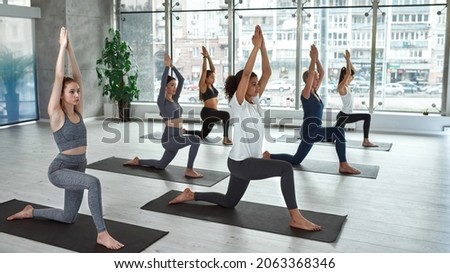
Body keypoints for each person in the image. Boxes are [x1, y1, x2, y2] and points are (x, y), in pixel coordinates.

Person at [168, 26, 321, 231]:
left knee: (229, 201)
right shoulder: (237, 105)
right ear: (243, 85)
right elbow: (247, 73)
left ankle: (191, 194)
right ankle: (295, 217)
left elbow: (267, 72)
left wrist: (264, 46)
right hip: (242, 163)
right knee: (285, 168)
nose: (257, 87)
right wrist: (255, 49)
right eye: (253, 84)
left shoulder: (254, 102)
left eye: (257, 84)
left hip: (241, 162)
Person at [6, 27, 124, 250]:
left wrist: (71, 48)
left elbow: (77, 76)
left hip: (79, 167)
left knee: (68, 216)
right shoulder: (57, 114)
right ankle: (102, 233)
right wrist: (61, 47)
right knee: (94, 183)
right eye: (71, 92)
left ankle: (31, 212)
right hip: (60, 170)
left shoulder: (76, 111)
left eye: (78, 92)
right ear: (61, 94)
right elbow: (60, 76)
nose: (77, 94)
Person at [264, 44, 360, 174]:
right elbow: (312, 77)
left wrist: (317, 58)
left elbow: (322, 73)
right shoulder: (306, 93)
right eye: (315, 77)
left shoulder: (315, 92)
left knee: (296, 160)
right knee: (338, 132)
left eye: (317, 77)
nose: (318, 78)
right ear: (308, 80)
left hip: (312, 131)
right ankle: (343, 165)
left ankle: (269, 156)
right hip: (310, 131)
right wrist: (312, 60)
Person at [124, 53, 203, 178]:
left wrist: (173, 66)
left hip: (178, 136)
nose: (174, 87)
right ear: (165, 88)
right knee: (196, 140)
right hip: (169, 140)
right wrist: (166, 67)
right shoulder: (162, 102)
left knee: (161, 165)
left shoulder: (175, 100)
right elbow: (162, 85)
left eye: (174, 85)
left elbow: (181, 80)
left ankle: (138, 161)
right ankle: (189, 170)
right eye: (171, 85)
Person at [185, 46, 232, 145]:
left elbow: (213, 68)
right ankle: (226, 139)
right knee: (226, 115)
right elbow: (204, 69)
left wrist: (209, 56)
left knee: (203, 135)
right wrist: (204, 57)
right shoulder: (203, 86)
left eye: (214, 77)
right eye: (211, 77)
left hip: (213, 113)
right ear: (205, 78)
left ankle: (185, 132)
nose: (213, 79)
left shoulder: (211, 86)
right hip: (207, 113)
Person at [334, 50, 377, 147]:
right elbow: (349, 72)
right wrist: (348, 60)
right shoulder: (341, 87)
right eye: (348, 76)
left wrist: (348, 61)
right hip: (344, 116)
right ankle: (366, 141)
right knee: (367, 116)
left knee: (333, 137)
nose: (351, 77)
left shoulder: (347, 86)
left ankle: (327, 136)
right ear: (344, 76)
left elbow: (353, 72)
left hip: (344, 116)